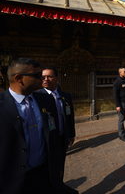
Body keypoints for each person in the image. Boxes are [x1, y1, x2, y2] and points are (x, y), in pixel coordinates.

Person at [0, 57, 77, 194]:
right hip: (13, 180)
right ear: (19, 78)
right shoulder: (2, 106)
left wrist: (57, 166)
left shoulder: (46, 100)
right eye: (37, 75)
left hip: (44, 173)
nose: (42, 78)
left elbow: (52, 135)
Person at [39, 66, 76, 178]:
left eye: (49, 76)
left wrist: (71, 134)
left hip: (62, 137)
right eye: (43, 77)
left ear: (57, 78)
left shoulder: (65, 96)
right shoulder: (37, 97)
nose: (45, 79)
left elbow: (70, 116)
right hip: (46, 140)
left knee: (60, 165)